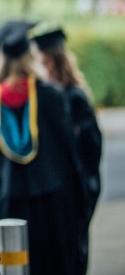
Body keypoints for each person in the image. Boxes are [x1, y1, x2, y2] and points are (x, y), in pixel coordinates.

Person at [0, 23, 84, 275]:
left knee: (19, 268)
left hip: (13, 201)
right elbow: (70, 149)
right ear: (31, 56)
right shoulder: (52, 96)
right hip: (53, 199)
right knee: (56, 264)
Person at [32, 27, 103, 275]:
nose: (42, 67)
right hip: (56, 187)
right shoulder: (44, 96)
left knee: (72, 251)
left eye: (45, 61)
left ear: (55, 61)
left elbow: (91, 147)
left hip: (73, 186)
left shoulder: (74, 96)